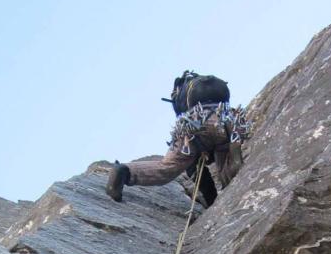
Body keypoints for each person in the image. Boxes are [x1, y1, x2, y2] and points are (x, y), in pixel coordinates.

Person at [105, 71, 251, 206]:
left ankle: (124, 171)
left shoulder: (186, 102)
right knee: (226, 169)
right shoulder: (222, 104)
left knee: (167, 168)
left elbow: (195, 170)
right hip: (224, 122)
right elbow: (233, 133)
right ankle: (225, 184)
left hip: (191, 127)